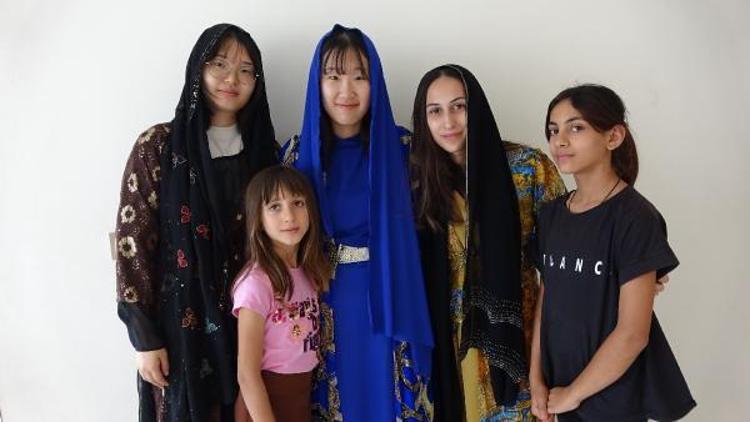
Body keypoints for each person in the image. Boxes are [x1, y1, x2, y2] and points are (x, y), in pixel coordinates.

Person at [114, 23, 278, 421]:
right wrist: (144, 338)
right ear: (198, 69)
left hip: (249, 328)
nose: (231, 79)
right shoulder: (157, 146)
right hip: (178, 328)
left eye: (245, 70)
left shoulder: (266, 154)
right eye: (219, 64)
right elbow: (133, 242)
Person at [281, 24, 433, 421]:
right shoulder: (295, 156)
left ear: (375, 82)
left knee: (385, 399)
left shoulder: (405, 151)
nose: (346, 91)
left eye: (359, 77)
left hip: (390, 293)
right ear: (317, 84)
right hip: (322, 299)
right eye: (333, 77)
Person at [529, 84, 696, 421]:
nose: (560, 141)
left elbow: (633, 333)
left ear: (613, 136)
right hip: (560, 390)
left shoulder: (635, 218)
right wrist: (537, 381)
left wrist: (574, 395)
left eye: (576, 128)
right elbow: (546, 301)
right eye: (553, 130)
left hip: (611, 398)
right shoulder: (551, 214)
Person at [410, 64, 566, 421]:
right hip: (447, 351)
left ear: (476, 107)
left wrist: (623, 267)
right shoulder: (417, 182)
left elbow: (564, 258)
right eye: (435, 111)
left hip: (519, 345)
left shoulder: (527, 170)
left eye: (459, 106)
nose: (448, 121)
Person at [232, 166, 330, 422]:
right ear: (258, 218)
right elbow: (247, 374)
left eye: (298, 203)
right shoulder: (256, 283)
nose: (289, 216)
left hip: (300, 399)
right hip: (264, 404)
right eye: (275, 207)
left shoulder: (309, 272)